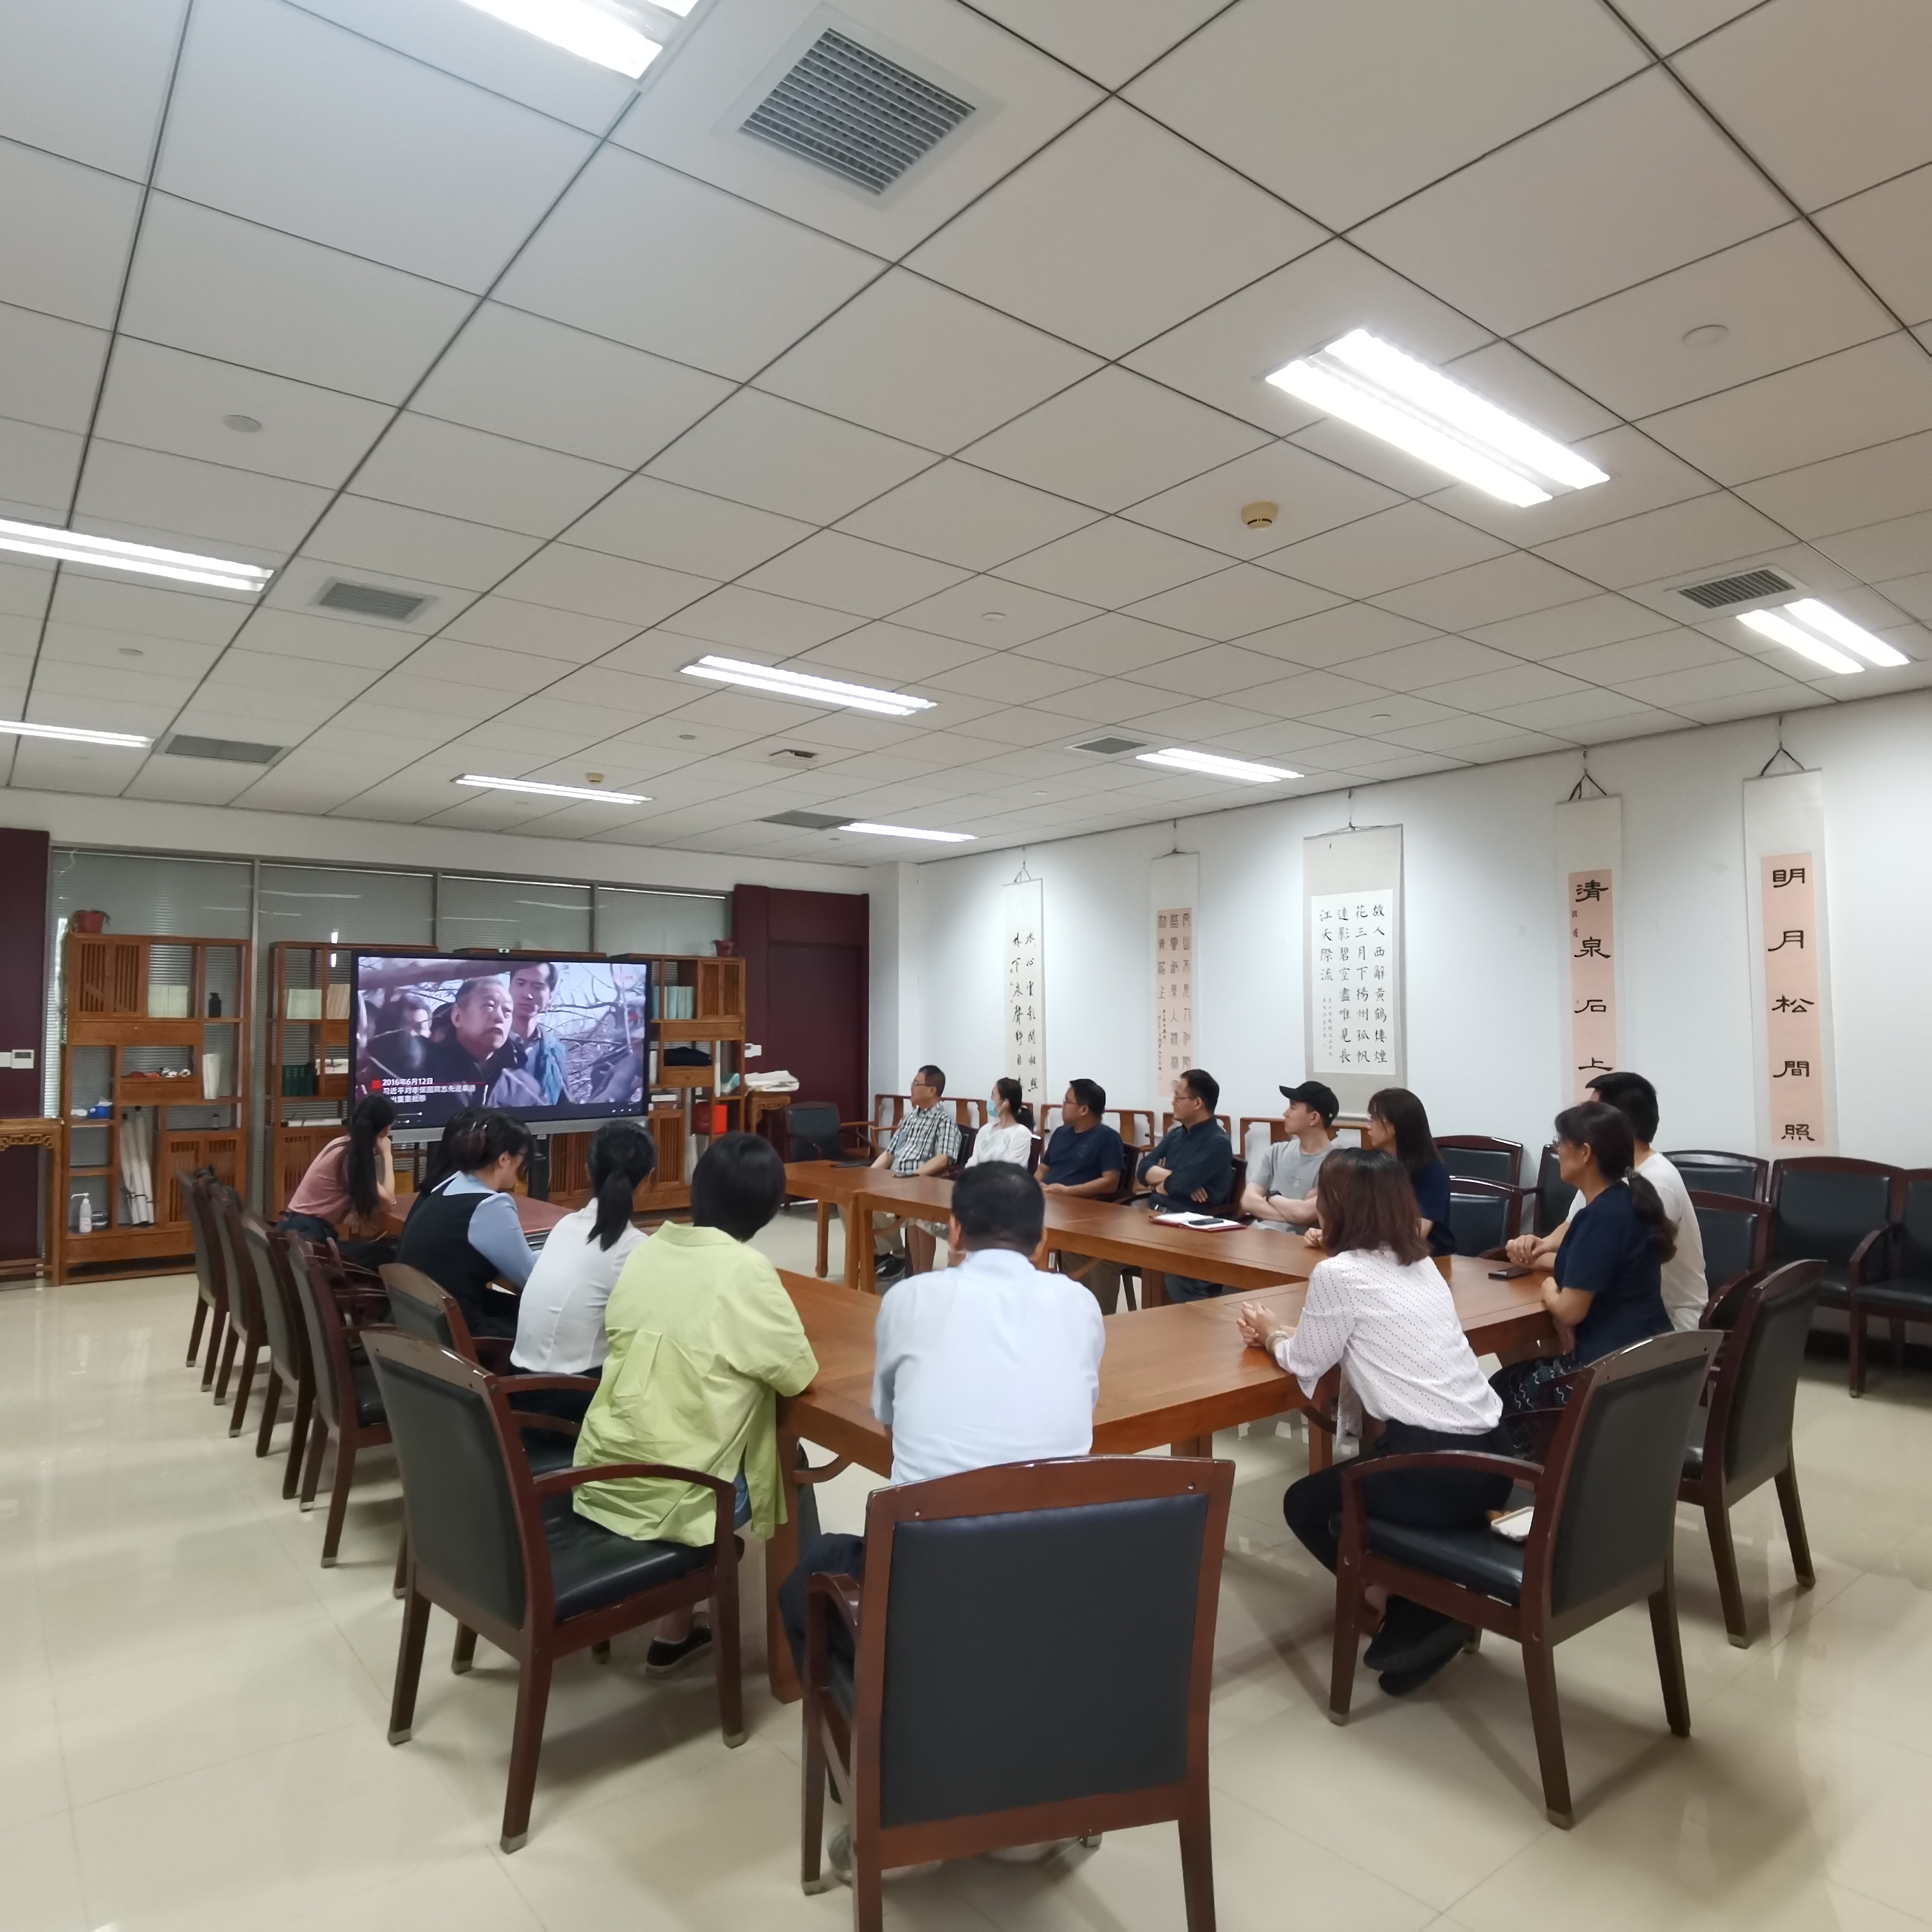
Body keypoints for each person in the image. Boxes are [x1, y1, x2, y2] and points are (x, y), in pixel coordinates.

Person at [778, 1162, 1104, 1670]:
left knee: (806, 1582)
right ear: (1043, 1241)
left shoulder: (910, 1298)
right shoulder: (1080, 1303)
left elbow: (890, 1422)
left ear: (954, 1232)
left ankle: (877, 1701)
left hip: (930, 1572)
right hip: (1051, 1565)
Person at [1234, 1147, 1515, 1698]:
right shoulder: (1421, 1262)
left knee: (1307, 1505)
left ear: (1338, 1206)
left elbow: (1305, 1360)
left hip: (1435, 1470)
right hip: (1494, 1457)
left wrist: (1270, 1333)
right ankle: (1421, 1606)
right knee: (1355, 1485)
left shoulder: (1339, 1273)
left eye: (1322, 1194)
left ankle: (1417, 1606)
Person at [572, 1134, 818, 1674]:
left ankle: (676, 1629)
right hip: (676, 1493)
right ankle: (807, 1635)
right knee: (790, 1464)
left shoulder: (649, 1249)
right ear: (769, 1206)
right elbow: (797, 1373)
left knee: (691, 1429)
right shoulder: (745, 1269)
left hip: (602, 1468)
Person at [1491, 1100, 1673, 1425]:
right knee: (1526, 1368)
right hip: (1648, 1355)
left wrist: (1549, 1289)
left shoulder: (1600, 1217)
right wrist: (1537, 1254)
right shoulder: (1624, 1201)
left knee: (1500, 1389)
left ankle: (1551, 1457)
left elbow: (1570, 1311)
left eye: (1561, 1142)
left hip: (1612, 1370)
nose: (1557, 1150)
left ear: (1585, 1152)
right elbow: (1588, 1266)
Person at [1504, 1071, 1708, 1330]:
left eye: (1591, 1113)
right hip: (1617, 1310)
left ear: (1611, 1124)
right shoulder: (1604, 1174)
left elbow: (1599, 1266)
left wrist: (1539, 1263)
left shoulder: (1657, 1183)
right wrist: (1539, 1246)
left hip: (1667, 1323)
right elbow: (1573, 1227)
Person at [508, 1120, 656, 1420]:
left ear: (588, 1171)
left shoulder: (566, 1225)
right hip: (569, 1400)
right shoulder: (634, 1246)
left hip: (520, 1388)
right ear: (649, 1179)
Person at [392, 1109, 537, 1339]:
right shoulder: (490, 1205)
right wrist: (557, 1250)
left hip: (422, 1321)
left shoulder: (449, 1184)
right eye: (523, 1157)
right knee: (548, 1320)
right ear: (504, 1159)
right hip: (460, 1335)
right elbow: (529, 1276)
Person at [1137, 1068, 1235, 1301]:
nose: (1173, 1102)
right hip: (1157, 1214)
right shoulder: (1176, 1134)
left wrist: (1162, 1182)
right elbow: (1142, 1169)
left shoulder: (1217, 1142)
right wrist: (1170, 1180)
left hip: (1191, 1224)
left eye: (1178, 1097)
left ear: (1197, 1103)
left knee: (1174, 1267)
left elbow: (1179, 1186)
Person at [863, 1064, 961, 1282]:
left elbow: (943, 1157)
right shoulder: (908, 1118)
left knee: (918, 1213)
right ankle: (885, 1256)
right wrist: (868, 1176)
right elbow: (890, 1153)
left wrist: (913, 1177)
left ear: (931, 1091)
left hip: (919, 1183)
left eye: (916, 1084)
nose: (911, 1088)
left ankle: (920, 1276)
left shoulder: (944, 1119)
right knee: (853, 1200)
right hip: (895, 1181)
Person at [278, 1093, 399, 1266]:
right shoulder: (350, 1156)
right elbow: (387, 1201)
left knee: (380, 1251)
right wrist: (387, 1155)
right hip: (309, 1239)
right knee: (387, 1254)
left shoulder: (340, 1144)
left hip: (297, 1230)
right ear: (386, 1131)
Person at [1040, 1078, 1128, 1314]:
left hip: (1080, 1209)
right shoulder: (1061, 1133)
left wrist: (1068, 1192)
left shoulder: (1107, 1138)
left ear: (1083, 1110)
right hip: (1049, 1202)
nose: (1062, 1106)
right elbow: (1044, 1168)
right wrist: (1033, 1184)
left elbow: (1110, 1182)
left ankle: (1086, 1314)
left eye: (1067, 1101)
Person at [1364, 1087, 1453, 1257]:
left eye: (1374, 1119)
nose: (1368, 1126)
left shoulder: (1433, 1173)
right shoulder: (1374, 1167)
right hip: (1379, 1255)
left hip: (1429, 1259)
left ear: (1393, 1126)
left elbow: (1416, 1233)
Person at [1243, 1080, 1339, 1231]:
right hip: (1260, 1234)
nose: (1285, 1113)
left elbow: (1304, 1214)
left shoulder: (1338, 1164)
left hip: (1299, 1241)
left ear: (1314, 1118)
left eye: (1293, 1108)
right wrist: (1291, 1215)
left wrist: (1271, 1196)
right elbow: (1248, 1200)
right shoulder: (1276, 1152)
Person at [419, 976, 518, 1120]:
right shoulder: (423, 1066)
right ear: (457, 1017)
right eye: (489, 1005)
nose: (500, 1017)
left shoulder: (525, 1087)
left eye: (507, 1011)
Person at [507, 961, 568, 1106]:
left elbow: (564, 1103)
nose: (527, 995)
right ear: (509, 989)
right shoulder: (488, 1042)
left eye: (537, 987)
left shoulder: (554, 1051)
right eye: (521, 984)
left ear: (550, 998)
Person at [965, 1077, 1034, 1168]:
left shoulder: (1022, 1134)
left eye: (993, 1095)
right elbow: (973, 1162)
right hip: (977, 1177)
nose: (990, 1100)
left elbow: (1011, 1170)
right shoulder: (985, 1129)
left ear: (1005, 1103)